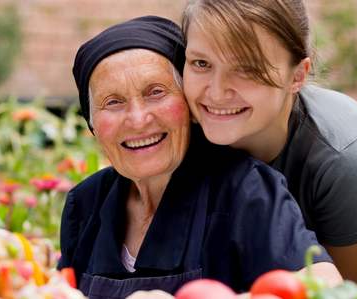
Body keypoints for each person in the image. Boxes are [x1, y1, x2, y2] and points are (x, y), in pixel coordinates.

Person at [58, 15, 342, 299]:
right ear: (92, 123)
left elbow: (323, 285)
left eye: (156, 92)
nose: (137, 119)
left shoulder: (243, 188)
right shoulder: (85, 204)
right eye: (113, 102)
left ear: (189, 104)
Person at [180, 1, 357, 298]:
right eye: (201, 64)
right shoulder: (184, 126)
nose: (217, 91)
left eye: (247, 68)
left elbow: (344, 291)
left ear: (297, 76)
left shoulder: (343, 156)